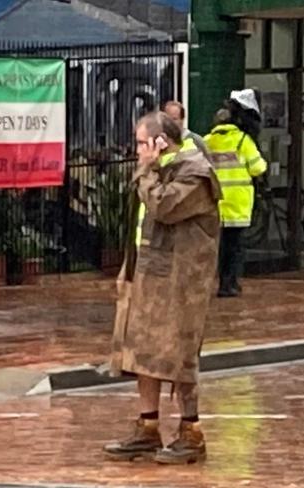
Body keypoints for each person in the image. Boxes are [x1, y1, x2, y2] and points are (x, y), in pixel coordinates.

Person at [104, 112, 221, 465]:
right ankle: (148, 427)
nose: (137, 151)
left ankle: (191, 432)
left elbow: (164, 206)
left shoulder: (195, 173)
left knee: (180, 353)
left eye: (141, 143)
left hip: (181, 280)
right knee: (141, 350)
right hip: (148, 273)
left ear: (160, 142)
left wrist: (147, 169)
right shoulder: (160, 171)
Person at [204, 89, 268, 297]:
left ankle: (221, 280)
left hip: (214, 203)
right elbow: (258, 168)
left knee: (220, 247)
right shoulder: (243, 141)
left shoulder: (207, 141)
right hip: (238, 204)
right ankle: (229, 284)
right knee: (236, 247)